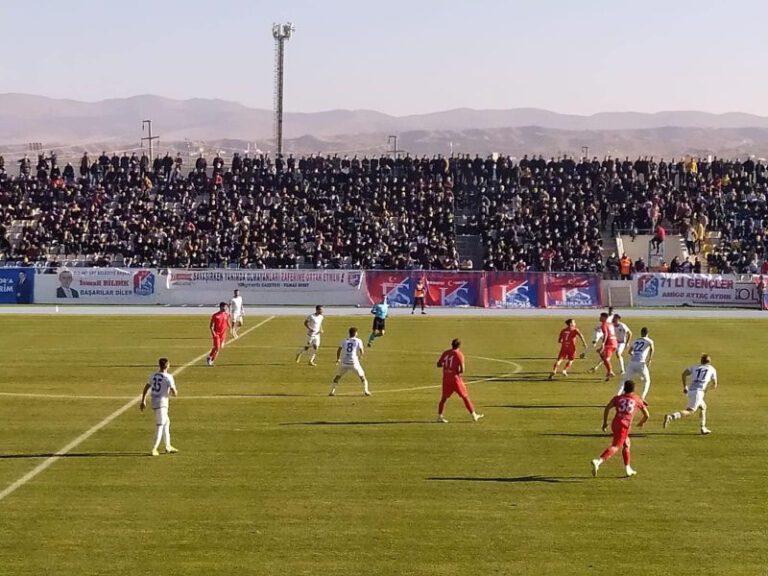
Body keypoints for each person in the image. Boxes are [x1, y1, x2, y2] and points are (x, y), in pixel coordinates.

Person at [591, 380, 649, 478]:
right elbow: (647, 415)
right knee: (616, 446)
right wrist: (641, 422)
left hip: (615, 423)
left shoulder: (618, 398)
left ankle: (628, 468)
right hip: (624, 426)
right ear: (633, 389)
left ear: (624, 388)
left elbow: (607, 408)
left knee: (627, 444)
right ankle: (598, 461)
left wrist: (605, 422)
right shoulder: (637, 399)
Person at [663, 354, 718, 435]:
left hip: (691, 391)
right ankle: (671, 416)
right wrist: (706, 390)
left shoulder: (695, 367)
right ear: (709, 362)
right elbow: (715, 385)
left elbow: (684, 374)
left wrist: (685, 386)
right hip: (698, 393)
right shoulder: (712, 369)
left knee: (703, 407)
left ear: (701, 361)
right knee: (690, 411)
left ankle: (703, 428)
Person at [436, 338, 483, 423]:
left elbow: (438, 364)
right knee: (465, 397)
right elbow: (462, 370)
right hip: (455, 379)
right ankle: (474, 415)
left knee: (443, 398)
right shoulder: (459, 354)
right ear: (459, 346)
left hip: (446, 379)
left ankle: (440, 416)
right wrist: (456, 371)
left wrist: (445, 367)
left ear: (451, 344)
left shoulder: (446, 353)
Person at [139, 357, 178, 456]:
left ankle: (168, 446)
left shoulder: (153, 375)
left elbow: (146, 387)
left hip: (154, 401)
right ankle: (154, 448)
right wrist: (173, 391)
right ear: (167, 365)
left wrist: (143, 400)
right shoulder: (168, 377)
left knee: (166, 422)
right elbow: (174, 393)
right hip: (162, 403)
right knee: (160, 425)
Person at [330, 327, 370, 397]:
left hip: (344, 363)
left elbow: (339, 350)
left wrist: (338, 359)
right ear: (355, 333)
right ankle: (366, 391)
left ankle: (332, 391)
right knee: (362, 377)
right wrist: (361, 356)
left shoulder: (344, 340)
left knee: (337, 377)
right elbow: (361, 351)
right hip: (354, 363)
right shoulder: (358, 340)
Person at [619, 327, 654, 400]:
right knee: (647, 380)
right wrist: (649, 359)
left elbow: (629, 352)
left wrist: (635, 355)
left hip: (632, 362)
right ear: (647, 333)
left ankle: (619, 395)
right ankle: (642, 397)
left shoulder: (636, 340)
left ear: (641, 333)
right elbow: (652, 349)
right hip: (641, 363)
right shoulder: (649, 341)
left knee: (625, 380)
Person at [206, 302, 231, 366]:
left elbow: (227, 322)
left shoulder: (226, 314)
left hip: (223, 334)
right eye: (225, 307)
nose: (226, 308)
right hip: (216, 334)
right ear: (221, 307)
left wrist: (231, 328)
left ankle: (209, 357)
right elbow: (211, 326)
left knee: (217, 348)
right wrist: (213, 333)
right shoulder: (215, 315)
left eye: (227, 307)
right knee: (217, 348)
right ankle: (210, 360)